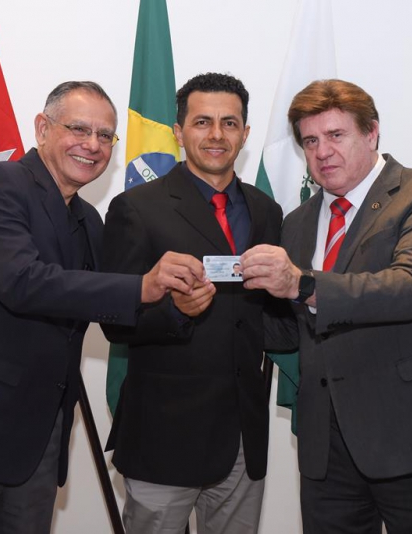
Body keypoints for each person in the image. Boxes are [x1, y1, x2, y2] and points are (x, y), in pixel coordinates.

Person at [0, 81, 205, 534]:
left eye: (105, 136)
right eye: (79, 129)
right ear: (42, 128)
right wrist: (143, 285)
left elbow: (110, 311)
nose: (92, 145)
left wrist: (180, 308)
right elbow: (24, 282)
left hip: (39, 446)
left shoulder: (89, 220)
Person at [241, 79, 412, 534]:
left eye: (336, 135)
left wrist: (301, 283)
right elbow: (289, 329)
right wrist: (216, 300)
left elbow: (409, 287)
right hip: (326, 446)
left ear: (372, 132)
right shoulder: (296, 222)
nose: (322, 152)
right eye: (310, 141)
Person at [101, 73, 283, 534]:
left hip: (243, 437)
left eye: (229, 123)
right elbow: (113, 322)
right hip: (164, 436)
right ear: (179, 132)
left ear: (245, 132)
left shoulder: (267, 211)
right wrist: (175, 312)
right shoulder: (136, 208)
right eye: (203, 122)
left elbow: (263, 315)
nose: (217, 134)